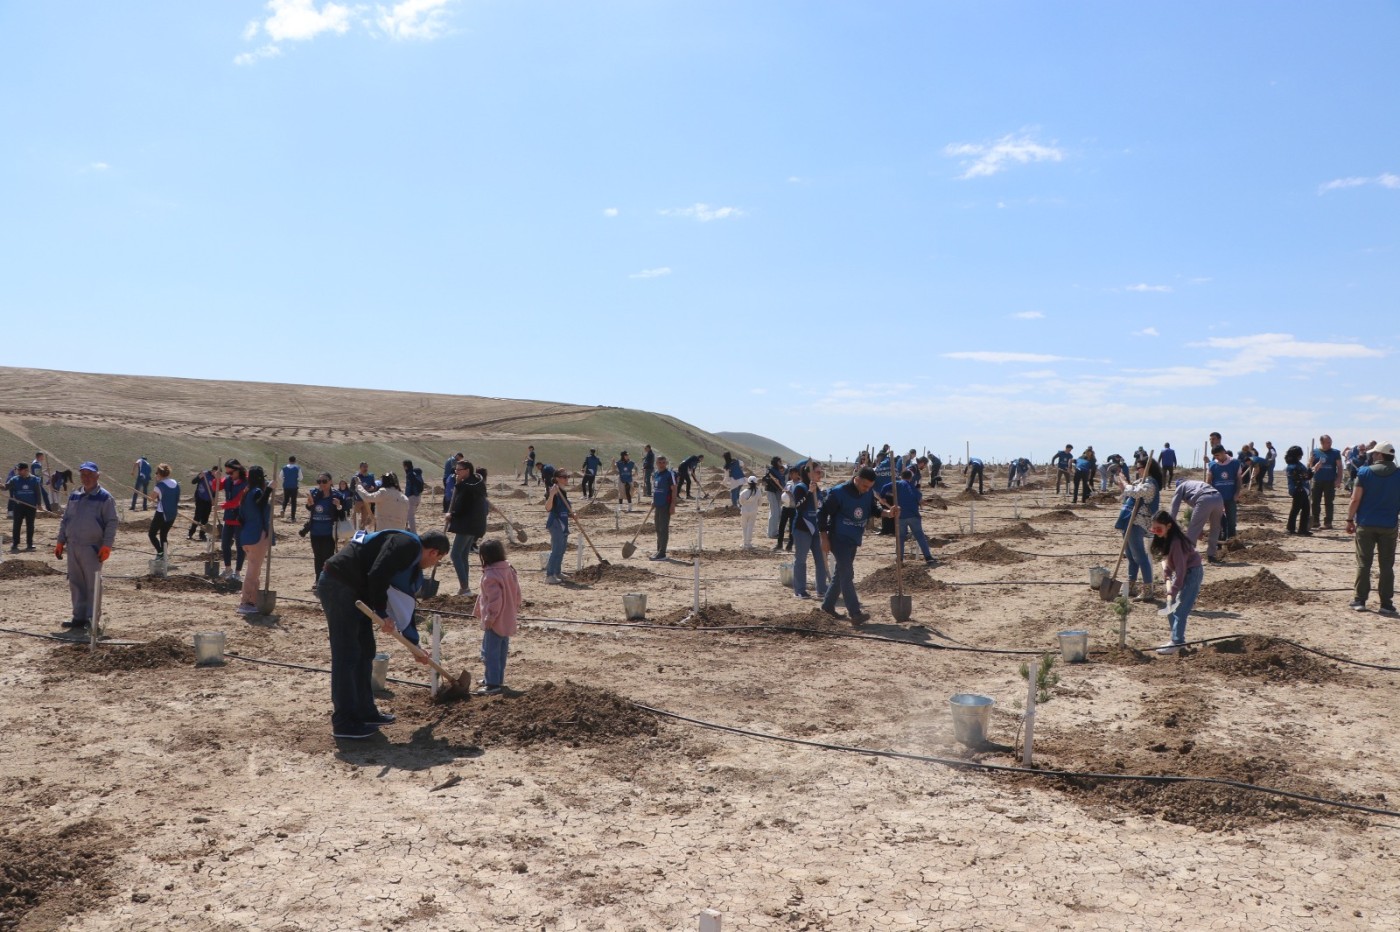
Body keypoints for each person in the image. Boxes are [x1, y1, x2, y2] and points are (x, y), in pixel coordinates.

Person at [318, 528, 449, 739]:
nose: (435, 564)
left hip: (357, 593)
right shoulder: (406, 545)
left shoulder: (410, 564)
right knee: (347, 654)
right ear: (434, 552)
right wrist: (380, 612)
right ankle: (344, 722)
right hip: (339, 585)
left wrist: (413, 644)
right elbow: (378, 572)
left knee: (365, 651)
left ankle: (364, 711)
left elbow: (404, 603)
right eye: (439, 559)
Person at [817, 466, 898, 625]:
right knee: (847, 574)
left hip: (853, 539)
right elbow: (822, 514)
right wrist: (824, 538)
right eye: (864, 486)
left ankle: (827, 607)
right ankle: (855, 613)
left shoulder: (868, 493)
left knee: (840, 575)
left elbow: (874, 510)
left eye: (870, 487)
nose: (867, 489)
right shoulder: (838, 492)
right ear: (857, 479)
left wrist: (889, 513)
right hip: (838, 538)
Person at [54, 462, 117, 631]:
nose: (86, 478)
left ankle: (91, 620)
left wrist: (107, 546)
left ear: (97, 476)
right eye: (83, 475)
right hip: (73, 546)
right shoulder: (74, 496)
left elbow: (111, 522)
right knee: (76, 583)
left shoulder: (105, 498)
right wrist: (60, 541)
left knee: (92, 584)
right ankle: (79, 617)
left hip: (92, 548)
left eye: (90, 475)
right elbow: (65, 519)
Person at [1347, 441, 1400, 615]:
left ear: (1379, 455)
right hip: (1389, 526)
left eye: (1374, 453)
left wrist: (1349, 520)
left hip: (1366, 524)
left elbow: (1355, 499)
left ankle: (1360, 600)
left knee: (1364, 563)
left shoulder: (1364, 472)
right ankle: (1386, 604)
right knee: (1386, 566)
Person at [1150, 509, 1203, 654]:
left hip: (1192, 573)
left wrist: (1173, 589)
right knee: (1170, 607)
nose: (1156, 532)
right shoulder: (1167, 539)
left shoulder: (1177, 542)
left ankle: (1177, 642)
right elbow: (1169, 561)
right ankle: (1176, 639)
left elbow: (1181, 569)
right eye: (1154, 529)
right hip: (1183, 572)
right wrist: (1167, 572)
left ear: (1168, 526)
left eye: (1159, 529)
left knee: (1180, 609)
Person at [474, 538, 522, 694]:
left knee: (490, 652)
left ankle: (492, 684)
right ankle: (495, 678)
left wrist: (489, 617)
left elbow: (495, 600)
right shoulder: (509, 569)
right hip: (508, 618)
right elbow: (517, 594)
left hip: (495, 621)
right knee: (501, 651)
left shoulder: (491, 576)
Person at [1116, 457, 1163, 603]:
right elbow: (1126, 495)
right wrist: (1123, 486)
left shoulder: (1150, 485)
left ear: (1147, 468)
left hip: (1138, 522)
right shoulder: (1140, 483)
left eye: (1139, 468)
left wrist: (1125, 483)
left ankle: (1148, 590)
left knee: (1140, 556)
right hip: (1128, 520)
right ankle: (1131, 586)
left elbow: (1136, 493)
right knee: (1130, 556)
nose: (1137, 471)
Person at [236, 466, 274, 615]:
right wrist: (269, 490)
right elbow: (261, 503)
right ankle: (245, 602)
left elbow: (241, 517)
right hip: (257, 536)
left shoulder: (245, 493)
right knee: (253, 571)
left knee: (255, 570)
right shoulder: (257, 492)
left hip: (246, 536)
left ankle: (253, 600)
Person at [447, 460, 486, 595]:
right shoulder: (476, 483)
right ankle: (465, 587)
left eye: (459, 470)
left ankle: (465, 588)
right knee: (463, 555)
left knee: (455, 554)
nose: (456, 473)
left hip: (468, 525)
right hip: (475, 525)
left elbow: (463, 507)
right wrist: (458, 485)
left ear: (467, 470)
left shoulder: (467, 487)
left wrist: (451, 514)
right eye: (455, 470)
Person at [790, 463, 828, 600]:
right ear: (809, 473)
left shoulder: (818, 488)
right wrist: (809, 493)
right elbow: (799, 506)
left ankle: (822, 589)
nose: (820, 475)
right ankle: (800, 590)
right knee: (801, 560)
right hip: (802, 528)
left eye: (821, 472)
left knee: (821, 560)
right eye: (818, 472)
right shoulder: (800, 487)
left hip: (816, 528)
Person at [1169, 479, 1226, 563]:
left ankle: (1187, 556)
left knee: (1193, 529)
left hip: (1204, 498)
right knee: (1215, 528)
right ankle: (1211, 556)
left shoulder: (1180, 487)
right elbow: (1199, 513)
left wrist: (1170, 524)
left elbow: (1174, 507)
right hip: (1218, 497)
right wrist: (1200, 529)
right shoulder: (1195, 484)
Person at [890, 468, 936, 565]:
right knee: (920, 537)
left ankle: (899, 559)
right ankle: (928, 558)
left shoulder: (897, 486)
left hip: (900, 516)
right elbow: (920, 501)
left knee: (900, 538)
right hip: (914, 516)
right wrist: (923, 501)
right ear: (911, 478)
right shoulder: (913, 488)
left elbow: (887, 490)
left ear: (901, 477)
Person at [305, 472, 343, 583]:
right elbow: (309, 508)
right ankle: (318, 580)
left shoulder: (336, 495)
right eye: (319, 481)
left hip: (329, 532)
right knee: (317, 556)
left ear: (330, 482)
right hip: (315, 532)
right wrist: (309, 504)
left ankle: (327, 580)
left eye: (324, 481)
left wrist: (338, 506)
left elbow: (342, 514)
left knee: (328, 557)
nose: (321, 484)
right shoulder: (315, 493)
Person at [218, 460, 248, 582]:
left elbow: (238, 501)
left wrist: (222, 506)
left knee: (240, 546)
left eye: (230, 472)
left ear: (237, 470)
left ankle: (238, 572)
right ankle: (228, 568)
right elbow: (217, 487)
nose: (229, 475)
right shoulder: (228, 480)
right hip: (229, 518)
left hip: (240, 518)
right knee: (225, 544)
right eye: (227, 472)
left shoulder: (246, 483)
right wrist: (217, 478)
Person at [6, 462, 43, 551]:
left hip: (31, 506)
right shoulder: (14, 479)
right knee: (16, 525)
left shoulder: (34, 480)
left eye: (20, 470)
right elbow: (6, 487)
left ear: (26, 470)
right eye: (18, 470)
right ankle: (15, 544)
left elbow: (38, 493)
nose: (18, 471)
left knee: (30, 525)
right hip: (18, 506)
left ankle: (29, 544)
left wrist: (39, 504)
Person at [1207, 445, 1241, 541]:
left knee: (1231, 521)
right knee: (1217, 521)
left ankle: (1231, 541)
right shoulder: (1212, 465)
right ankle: (1218, 543)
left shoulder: (1235, 463)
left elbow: (1239, 479)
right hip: (1217, 498)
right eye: (1214, 456)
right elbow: (1209, 481)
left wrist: (1237, 493)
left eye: (1217, 455)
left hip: (1231, 497)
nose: (1216, 457)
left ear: (1224, 452)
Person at [1309, 435, 1343, 531]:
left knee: (1329, 502)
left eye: (1330, 442)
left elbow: (1339, 467)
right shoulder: (1315, 452)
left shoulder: (1335, 453)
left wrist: (1339, 479)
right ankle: (1315, 521)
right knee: (1315, 501)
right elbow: (1310, 466)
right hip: (1317, 479)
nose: (1330, 444)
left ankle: (1328, 522)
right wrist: (1310, 462)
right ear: (1322, 442)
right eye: (1328, 442)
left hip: (1330, 480)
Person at [543, 468, 571, 583]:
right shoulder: (554, 491)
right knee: (556, 549)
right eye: (564, 477)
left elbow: (564, 508)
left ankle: (557, 572)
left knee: (562, 549)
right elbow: (548, 508)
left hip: (563, 522)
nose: (567, 479)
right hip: (555, 523)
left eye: (567, 476)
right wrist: (552, 495)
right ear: (557, 479)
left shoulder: (563, 492)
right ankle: (550, 575)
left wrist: (571, 514)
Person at [148, 464, 180, 559]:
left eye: (157, 473)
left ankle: (160, 552)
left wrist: (156, 482)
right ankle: (164, 554)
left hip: (161, 513)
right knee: (163, 534)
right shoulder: (175, 482)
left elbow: (151, 498)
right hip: (173, 513)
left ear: (159, 474)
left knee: (152, 534)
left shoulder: (159, 486)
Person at [650, 455, 678, 561]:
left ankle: (662, 553)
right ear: (656, 464)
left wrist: (672, 505)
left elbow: (674, 489)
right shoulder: (656, 474)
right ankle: (659, 550)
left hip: (665, 505)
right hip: (657, 505)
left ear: (666, 463)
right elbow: (656, 489)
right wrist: (653, 500)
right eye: (659, 462)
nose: (661, 464)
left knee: (663, 529)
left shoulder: (669, 474)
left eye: (663, 462)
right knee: (658, 528)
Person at [1284, 446, 1312, 536]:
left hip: (1301, 489)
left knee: (1305, 509)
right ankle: (1291, 528)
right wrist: (1311, 472)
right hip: (1299, 489)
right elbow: (1304, 476)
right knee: (1296, 510)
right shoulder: (1294, 466)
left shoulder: (1295, 465)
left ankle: (1301, 529)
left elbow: (1305, 475)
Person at [186, 465, 217, 541]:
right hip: (200, 498)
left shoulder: (216, 479)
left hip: (208, 501)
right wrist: (199, 477)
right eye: (217, 473)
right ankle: (190, 533)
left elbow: (215, 491)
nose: (218, 475)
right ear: (213, 471)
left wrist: (213, 499)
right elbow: (193, 482)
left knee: (205, 518)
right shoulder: (204, 474)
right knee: (197, 517)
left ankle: (202, 535)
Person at [775, 466, 800, 552]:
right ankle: (779, 544)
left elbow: (798, 497)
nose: (792, 475)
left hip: (793, 508)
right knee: (781, 526)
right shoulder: (789, 482)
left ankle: (789, 545)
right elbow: (784, 491)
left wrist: (790, 494)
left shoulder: (800, 484)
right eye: (790, 474)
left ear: (797, 474)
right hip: (785, 507)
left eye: (793, 473)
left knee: (791, 528)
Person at [762, 457, 786, 540]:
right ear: (776, 462)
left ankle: (772, 531)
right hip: (771, 492)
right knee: (774, 512)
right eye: (779, 461)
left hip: (778, 492)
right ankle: (772, 533)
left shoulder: (780, 470)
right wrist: (772, 481)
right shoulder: (771, 470)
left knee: (777, 512)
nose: (781, 463)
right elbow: (764, 479)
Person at [350, 463, 377, 531]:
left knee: (364, 517)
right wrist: (357, 489)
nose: (366, 468)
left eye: (366, 467)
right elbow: (351, 488)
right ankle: (354, 530)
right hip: (358, 500)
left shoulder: (371, 476)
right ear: (360, 467)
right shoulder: (355, 477)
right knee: (355, 516)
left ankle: (362, 531)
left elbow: (374, 486)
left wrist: (372, 488)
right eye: (364, 467)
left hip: (367, 500)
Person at [738, 476, 762, 549]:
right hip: (753, 511)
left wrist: (745, 505)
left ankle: (745, 543)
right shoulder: (758, 491)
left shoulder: (743, 492)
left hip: (744, 511)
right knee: (750, 527)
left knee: (744, 527)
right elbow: (760, 502)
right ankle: (749, 543)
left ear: (748, 483)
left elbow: (740, 502)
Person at [402, 459, 425, 532]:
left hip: (412, 497)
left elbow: (409, 488)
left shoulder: (410, 475)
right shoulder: (416, 473)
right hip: (418, 496)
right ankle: (407, 529)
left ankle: (413, 532)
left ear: (406, 466)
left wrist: (406, 497)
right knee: (409, 515)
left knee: (410, 516)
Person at [280, 456, 302, 522]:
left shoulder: (284, 468)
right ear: (295, 461)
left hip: (286, 486)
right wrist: (296, 479)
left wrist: (285, 479)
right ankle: (293, 517)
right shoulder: (297, 468)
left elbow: (280, 476)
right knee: (293, 502)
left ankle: (283, 509)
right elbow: (301, 478)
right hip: (294, 486)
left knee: (286, 499)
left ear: (288, 460)